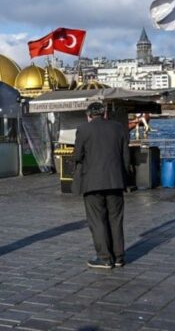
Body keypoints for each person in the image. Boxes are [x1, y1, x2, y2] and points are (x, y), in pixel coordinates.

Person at [73, 102, 130, 269]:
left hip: (92, 182)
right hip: (115, 181)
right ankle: (119, 256)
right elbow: (125, 156)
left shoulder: (83, 129)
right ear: (105, 114)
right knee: (116, 219)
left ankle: (104, 257)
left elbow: (77, 155)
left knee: (97, 220)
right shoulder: (118, 128)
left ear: (89, 115)